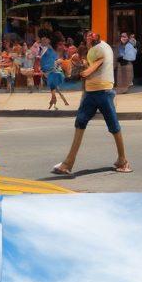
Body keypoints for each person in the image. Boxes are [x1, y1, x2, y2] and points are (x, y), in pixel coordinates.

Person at [50, 32, 132, 176]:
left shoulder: (99, 50)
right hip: (92, 92)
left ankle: (123, 160)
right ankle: (68, 163)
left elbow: (90, 69)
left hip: (103, 92)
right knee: (81, 122)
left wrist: (77, 73)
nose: (87, 42)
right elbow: (88, 66)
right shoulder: (97, 49)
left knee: (113, 126)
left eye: (89, 40)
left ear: (94, 41)